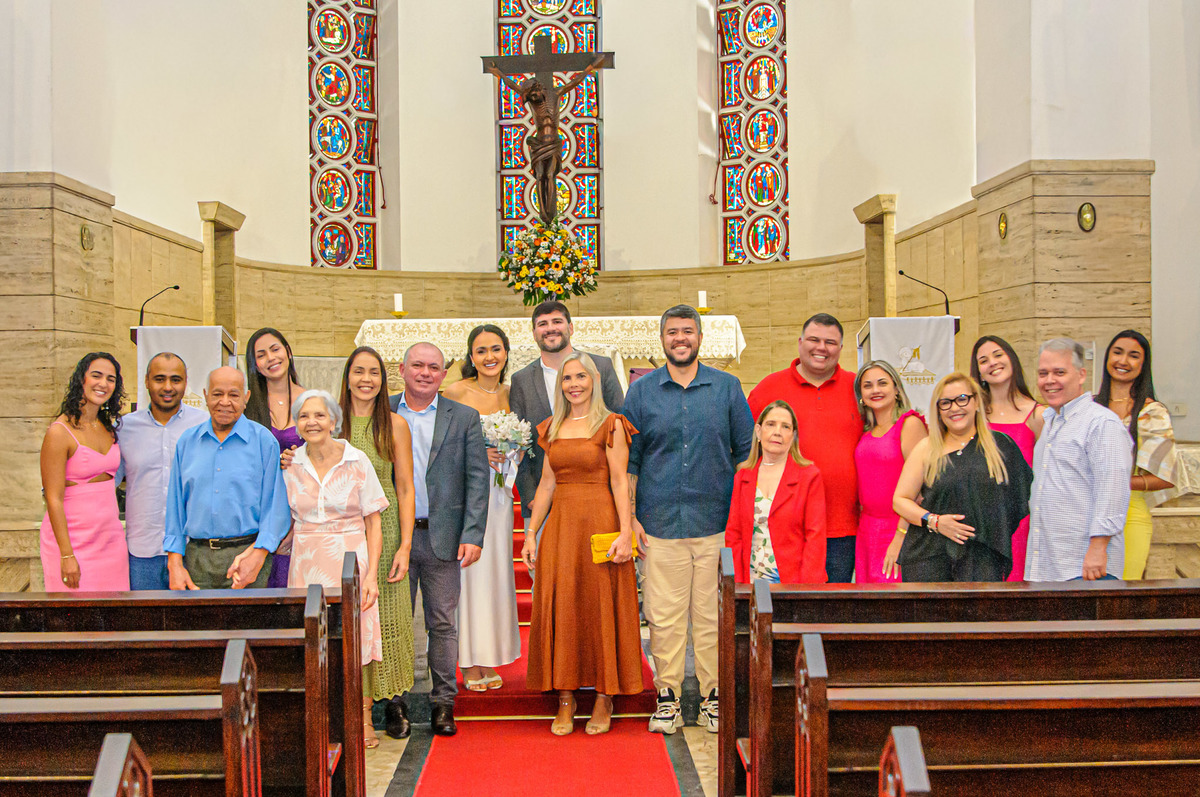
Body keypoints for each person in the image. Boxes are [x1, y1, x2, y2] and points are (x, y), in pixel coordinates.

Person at [623, 305, 753, 735]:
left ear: (700, 337)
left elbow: (744, 455)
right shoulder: (641, 393)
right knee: (664, 616)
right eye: (672, 332)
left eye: (688, 331)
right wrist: (632, 518)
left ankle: (716, 696)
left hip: (716, 520)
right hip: (659, 521)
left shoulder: (728, 387)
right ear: (661, 339)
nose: (681, 338)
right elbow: (631, 460)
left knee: (712, 616)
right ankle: (669, 697)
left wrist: (738, 516)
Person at [522, 352, 642, 736]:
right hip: (561, 528)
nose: (574, 384)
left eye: (581, 377)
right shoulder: (552, 427)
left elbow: (621, 481)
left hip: (601, 521)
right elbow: (546, 483)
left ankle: (606, 696)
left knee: (601, 605)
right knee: (565, 606)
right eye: (567, 378)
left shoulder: (611, 424)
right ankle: (566, 697)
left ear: (594, 380)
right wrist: (530, 532)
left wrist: (626, 531)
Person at [388, 343, 489, 737]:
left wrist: (473, 533)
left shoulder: (463, 417)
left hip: (441, 535)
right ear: (402, 369)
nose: (425, 373)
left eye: (433, 367)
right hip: (395, 535)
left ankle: (443, 704)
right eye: (418, 365)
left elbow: (477, 478)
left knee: (443, 624)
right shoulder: (383, 411)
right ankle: (394, 703)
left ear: (443, 374)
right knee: (392, 623)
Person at [281, 390, 386, 749]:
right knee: (315, 642)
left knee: (354, 642)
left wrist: (370, 575)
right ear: (296, 424)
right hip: (307, 562)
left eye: (319, 415)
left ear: (333, 421)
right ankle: (321, 723)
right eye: (304, 416)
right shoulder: (290, 464)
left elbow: (374, 521)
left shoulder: (357, 461)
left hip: (349, 559)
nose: (312, 422)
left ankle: (361, 719)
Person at [748, 313, 862, 583]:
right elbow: (746, 448)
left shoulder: (857, 387)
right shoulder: (769, 388)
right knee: (783, 612)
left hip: (841, 526)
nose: (821, 348)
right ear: (800, 342)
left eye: (830, 342)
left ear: (841, 349)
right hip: (783, 527)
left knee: (833, 610)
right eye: (813, 339)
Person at [338, 347, 418, 732]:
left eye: (374, 372)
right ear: (347, 377)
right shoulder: (334, 421)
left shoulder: (395, 425)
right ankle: (354, 708)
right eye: (359, 372)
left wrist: (404, 544)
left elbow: (404, 487)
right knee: (351, 620)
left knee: (388, 620)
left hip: (384, 532)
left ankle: (392, 704)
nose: (366, 379)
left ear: (385, 380)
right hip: (341, 533)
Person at [891, 373, 1033, 582]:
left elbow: (1019, 499)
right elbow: (900, 500)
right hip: (929, 558)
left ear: (976, 402)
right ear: (938, 410)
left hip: (982, 558)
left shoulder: (1001, 446)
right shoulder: (926, 448)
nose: (955, 408)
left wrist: (989, 530)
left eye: (962, 399)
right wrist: (936, 522)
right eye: (946, 403)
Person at [443, 325, 521, 691]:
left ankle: (489, 655)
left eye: (496, 349)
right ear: (470, 357)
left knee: (496, 575)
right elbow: (442, 443)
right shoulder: (456, 392)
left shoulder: (513, 393)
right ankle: (467, 661)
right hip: (468, 492)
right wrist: (478, 454)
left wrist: (513, 451)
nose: (489, 357)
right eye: (481, 351)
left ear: (506, 352)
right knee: (470, 576)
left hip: (502, 495)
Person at [164, 367, 290, 590]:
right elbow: (175, 506)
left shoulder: (264, 441)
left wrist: (259, 554)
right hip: (197, 560)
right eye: (217, 394)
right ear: (205, 395)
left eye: (233, 395)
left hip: (249, 557)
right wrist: (174, 562)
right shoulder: (188, 442)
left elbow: (276, 507)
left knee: (250, 625)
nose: (225, 402)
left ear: (246, 398)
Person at [510, 300, 624, 528]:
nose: (550, 328)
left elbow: (618, 422)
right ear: (534, 333)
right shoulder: (521, 380)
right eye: (542, 324)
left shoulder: (600, 367)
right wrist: (531, 494)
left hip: (598, 496)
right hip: (543, 501)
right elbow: (518, 442)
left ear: (570, 328)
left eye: (557, 321)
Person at [1027, 339, 1132, 581]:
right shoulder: (1051, 422)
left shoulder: (1101, 423)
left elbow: (1113, 490)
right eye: (1043, 373)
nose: (1049, 380)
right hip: (1049, 565)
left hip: (1086, 567)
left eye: (1059, 372)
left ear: (1081, 374)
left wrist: (1098, 548)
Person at [39, 352, 130, 592]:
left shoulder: (108, 427)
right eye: (96, 376)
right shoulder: (59, 432)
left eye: (111, 379)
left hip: (111, 541)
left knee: (114, 622)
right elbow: (53, 498)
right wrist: (66, 555)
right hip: (73, 543)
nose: (103, 384)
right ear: (82, 379)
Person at [116, 352, 207, 590]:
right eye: (159, 379)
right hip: (141, 552)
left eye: (176, 380)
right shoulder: (124, 428)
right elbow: (105, 483)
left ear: (186, 383)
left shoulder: (204, 426)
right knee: (143, 625)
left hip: (192, 551)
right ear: (146, 381)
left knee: (193, 626)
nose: (168, 387)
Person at [1095, 330, 1178, 580]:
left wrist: (1117, 480)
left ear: (1143, 365)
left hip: (1130, 515)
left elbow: (1166, 477)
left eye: (1133, 356)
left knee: (1120, 596)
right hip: (1086, 512)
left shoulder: (1152, 412)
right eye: (1117, 352)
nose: (1123, 361)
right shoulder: (1088, 407)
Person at [725, 400, 827, 584]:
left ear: (793, 435)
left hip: (794, 585)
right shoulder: (743, 477)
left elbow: (815, 538)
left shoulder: (809, 476)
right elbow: (734, 535)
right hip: (751, 584)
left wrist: (806, 592)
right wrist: (737, 586)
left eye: (785, 426)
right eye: (771, 424)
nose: (777, 432)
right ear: (758, 431)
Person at [970, 336, 1044, 581]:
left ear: (1012, 358)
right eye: (983, 360)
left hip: (1024, 519)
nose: (992, 362)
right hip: (982, 521)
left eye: (998, 354)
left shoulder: (1039, 414)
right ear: (978, 371)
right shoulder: (973, 416)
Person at [853, 361, 926, 583]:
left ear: (896, 389)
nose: (875, 390)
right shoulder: (865, 432)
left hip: (900, 528)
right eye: (868, 385)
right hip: (866, 531)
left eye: (882, 383)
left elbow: (922, 489)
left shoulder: (910, 424)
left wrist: (900, 537)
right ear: (861, 395)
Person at [244, 327, 306, 588]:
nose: (270, 358)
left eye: (275, 349)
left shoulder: (311, 400)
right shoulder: (247, 405)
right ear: (255, 365)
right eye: (261, 354)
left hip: (302, 512)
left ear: (288, 353)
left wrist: (303, 458)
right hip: (257, 513)